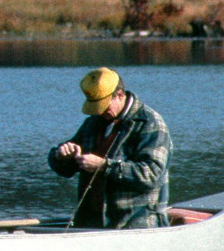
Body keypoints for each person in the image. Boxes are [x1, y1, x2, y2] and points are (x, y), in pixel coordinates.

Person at [49, 66, 170, 228]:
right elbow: (66, 169)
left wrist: (104, 166)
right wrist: (61, 156)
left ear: (119, 95)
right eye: (95, 107)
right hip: (90, 224)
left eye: (103, 106)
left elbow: (150, 176)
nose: (99, 112)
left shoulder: (150, 123)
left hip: (135, 227)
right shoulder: (93, 123)